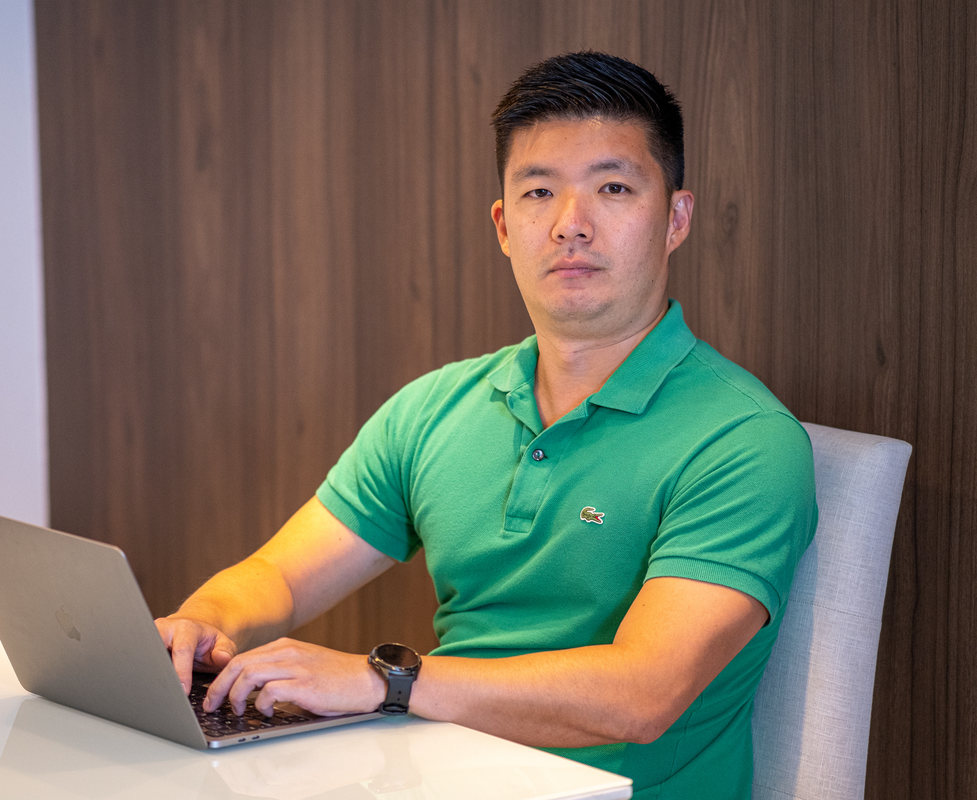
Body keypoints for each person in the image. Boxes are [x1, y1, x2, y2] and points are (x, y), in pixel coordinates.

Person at [155, 51, 816, 798]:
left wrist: (384, 683)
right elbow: (280, 575)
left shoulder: (745, 441)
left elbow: (642, 694)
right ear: (504, 225)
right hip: (434, 779)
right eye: (539, 192)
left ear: (676, 219)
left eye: (613, 188)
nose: (571, 225)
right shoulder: (436, 407)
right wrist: (203, 621)